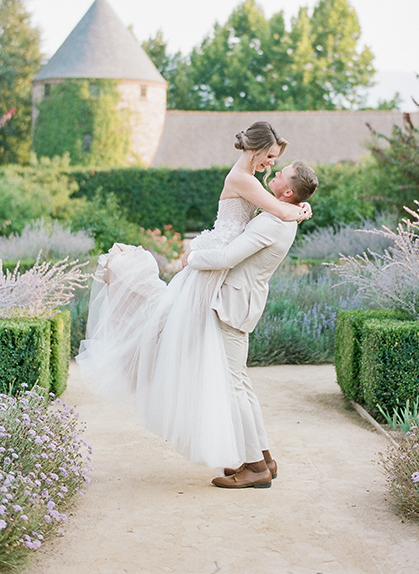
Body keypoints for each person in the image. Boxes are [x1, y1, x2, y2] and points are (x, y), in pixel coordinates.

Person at [76, 121, 312, 471]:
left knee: (208, 362)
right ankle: (257, 459)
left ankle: (258, 462)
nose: (271, 166)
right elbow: (280, 209)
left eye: (277, 163)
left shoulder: (253, 183)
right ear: (258, 150)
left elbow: (275, 212)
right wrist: (301, 209)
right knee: (178, 340)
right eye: (271, 158)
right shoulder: (245, 181)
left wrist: (297, 209)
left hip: (214, 274)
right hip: (210, 274)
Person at [183, 161, 318, 488]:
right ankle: (265, 459)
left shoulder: (274, 222)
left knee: (234, 387)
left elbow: (228, 257)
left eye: (279, 174)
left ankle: (255, 466)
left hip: (233, 304)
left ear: (287, 192)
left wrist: (191, 257)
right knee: (240, 383)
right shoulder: (284, 214)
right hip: (242, 301)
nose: (272, 175)